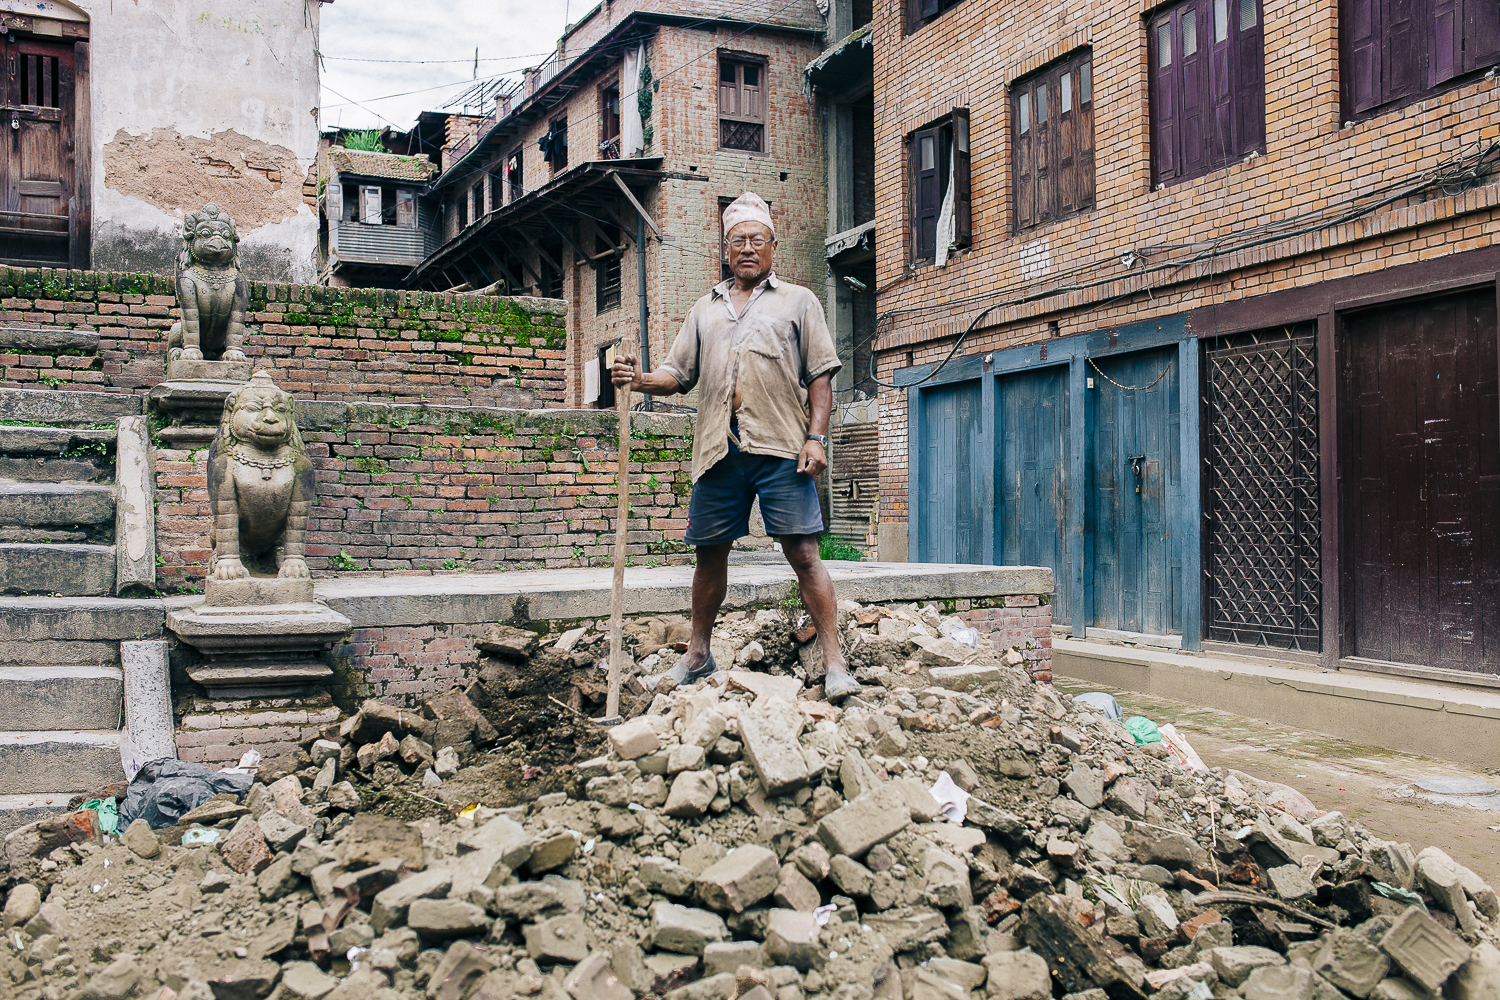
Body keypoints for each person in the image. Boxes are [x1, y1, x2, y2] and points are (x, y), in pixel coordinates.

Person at [611, 191, 861, 700]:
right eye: (737, 241)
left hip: (782, 450)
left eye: (756, 240)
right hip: (718, 449)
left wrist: (817, 437)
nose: (747, 249)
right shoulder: (705, 309)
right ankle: (699, 655)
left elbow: (821, 378)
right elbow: (676, 375)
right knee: (710, 554)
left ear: (773, 247)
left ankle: (835, 662)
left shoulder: (799, 301)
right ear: (726, 250)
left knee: (804, 553)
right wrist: (637, 379)